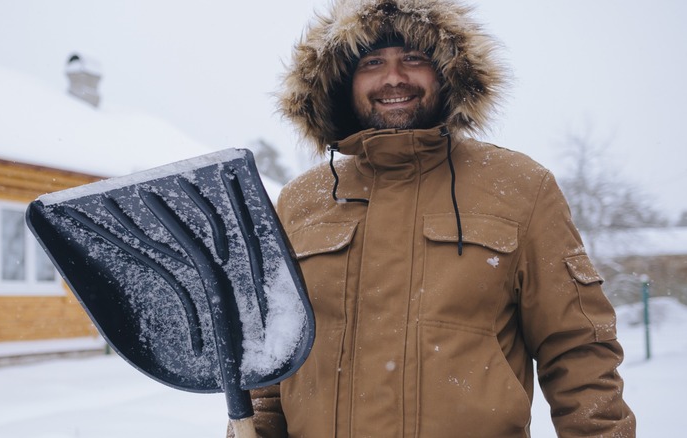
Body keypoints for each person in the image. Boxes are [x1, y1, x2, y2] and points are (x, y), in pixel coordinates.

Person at [235, 0, 636, 436]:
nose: (394, 77)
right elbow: (270, 366)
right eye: (372, 62)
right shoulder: (300, 201)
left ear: (449, 72)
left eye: (414, 58)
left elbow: (578, 350)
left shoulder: (520, 187)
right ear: (341, 83)